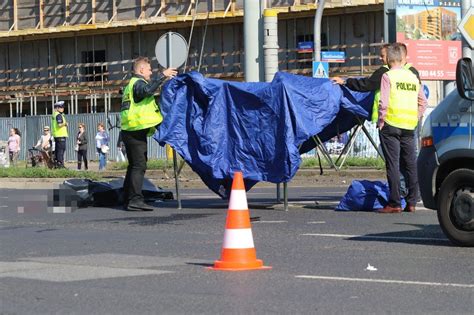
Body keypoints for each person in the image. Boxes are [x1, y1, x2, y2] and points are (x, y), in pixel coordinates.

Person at [121, 57, 177, 211]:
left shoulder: (131, 85)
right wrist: (162, 76)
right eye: (149, 70)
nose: (151, 72)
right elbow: (146, 91)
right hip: (135, 132)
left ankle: (127, 197)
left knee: (134, 166)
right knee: (139, 166)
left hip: (131, 132)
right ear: (141, 70)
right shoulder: (138, 84)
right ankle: (134, 200)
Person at [376, 44, 427, 213]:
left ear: (389, 59)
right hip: (409, 126)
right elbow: (423, 102)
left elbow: (383, 102)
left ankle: (395, 203)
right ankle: (412, 201)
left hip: (390, 125)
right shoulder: (413, 77)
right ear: (402, 58)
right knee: (411, 164)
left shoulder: (388, 76)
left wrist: (381, 120)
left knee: (393, 165)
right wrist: (415, 117)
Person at [51, 101, 68, 168]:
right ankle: (60, 165)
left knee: (58, 150)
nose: (63, 109)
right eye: (61, 107)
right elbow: (59, 124)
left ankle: (57, 163)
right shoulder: (58, 115)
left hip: (57, 136)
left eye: (63, 107)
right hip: (60, 135)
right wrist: (65, 124)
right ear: (57, 108)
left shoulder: (54, 114)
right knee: (61, 150)